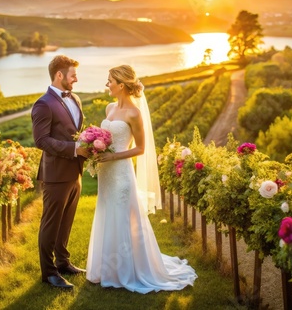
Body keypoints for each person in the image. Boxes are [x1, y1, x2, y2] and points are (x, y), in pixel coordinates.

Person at [86, 65, 197, 293]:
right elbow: (106, 137)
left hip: (121, 173)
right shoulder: (109, 108)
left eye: (110, 81)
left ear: (121, 85)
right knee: (107, 213)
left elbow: (141, 148)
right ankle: (107, 269)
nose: (107, 85)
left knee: (123, 217)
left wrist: (113, 156)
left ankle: (127, 270)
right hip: (106, 174)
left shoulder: (134, 113)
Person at [32, 55, 89, 289]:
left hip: (75, 172)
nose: (76, 79)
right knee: (51, 224)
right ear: (59, 75)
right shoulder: (43, 104)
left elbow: (74, 131)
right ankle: (49, 272)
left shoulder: (74, 98)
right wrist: (75, 148)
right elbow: (41, 140)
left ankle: (64, 262)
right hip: (55, 175)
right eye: (73, 75)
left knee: (66, 222)